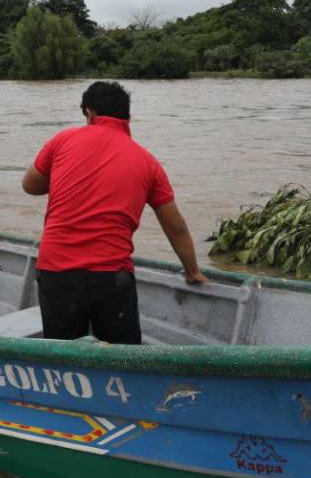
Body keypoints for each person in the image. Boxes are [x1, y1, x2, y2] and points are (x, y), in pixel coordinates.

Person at [22, 81, 207, 344]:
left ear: (90, 113)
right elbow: (176, 227)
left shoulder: (62, 141)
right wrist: (192, 271)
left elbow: (29, 186)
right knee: (123, 360)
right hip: (111, 279)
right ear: (128, 117)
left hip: (56, 273)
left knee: (63, 358)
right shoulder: (148, 162)